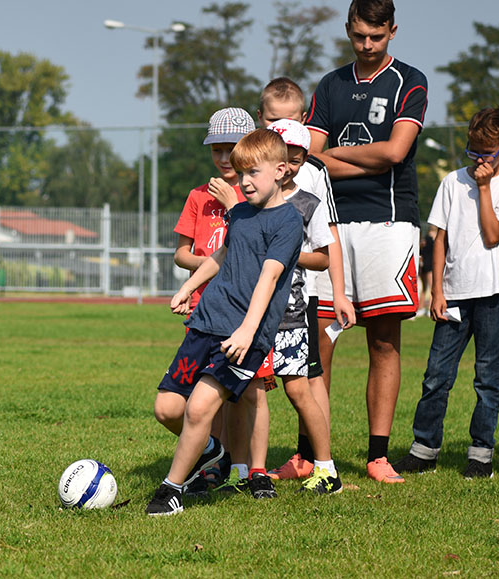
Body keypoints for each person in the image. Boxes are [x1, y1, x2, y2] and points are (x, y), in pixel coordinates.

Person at [305, 0, 428, 483]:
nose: (367, 44)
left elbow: (396, 153)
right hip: (329, 221)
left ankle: (378, 455)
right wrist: (353, 158)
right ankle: (313, 456)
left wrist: (334, 159)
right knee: (319, 340)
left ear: (392, 31)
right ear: (348, 29)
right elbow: (308, 155)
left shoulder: (410, 80)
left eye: (377, 36)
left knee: (383, 342)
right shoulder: (330, 84)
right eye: (359, 35)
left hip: (388, 222)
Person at [146, 128, 303, 516]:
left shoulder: (288, 222)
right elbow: (221, 255)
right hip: (207, 320)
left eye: (254, 173)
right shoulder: (242, 214)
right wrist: (190, 286)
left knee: (200, 408)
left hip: (243, 334)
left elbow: (268, 279)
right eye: (241, 173)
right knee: (167, 408)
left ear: (281, 170)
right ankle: (210, 449)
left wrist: (249, 331)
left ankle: (171, 491)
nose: (245, 182)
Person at [393, 107, 499, 479]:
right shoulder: (452, 182)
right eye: (473, 152)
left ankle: (480, 455)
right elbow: (440, 237)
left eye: (487, 153)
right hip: (453, 294)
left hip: (494, 295)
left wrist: (483, 187)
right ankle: (424, 450)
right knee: (436, 375)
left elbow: (493, 235)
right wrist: (436, 290)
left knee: (487, 378)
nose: (479, 159)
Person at [255, 77, 355, 482]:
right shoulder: (252, 168)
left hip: (301, 297)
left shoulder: (312, 174)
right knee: (250, 386)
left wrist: (339, 292)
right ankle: (244, 465)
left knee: (308, 380)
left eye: (290, 122)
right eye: (273, 121)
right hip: (255, 298)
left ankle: (319, 461)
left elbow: (328, 237)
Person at [171, 106, 253, 493]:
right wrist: (205, 270)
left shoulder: (255, 196)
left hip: (243, 312)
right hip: (204, 308)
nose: (223, 158)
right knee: (205, 391)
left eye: (231, 149)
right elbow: (181, 253)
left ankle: (249, 468)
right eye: (216, 150)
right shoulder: (197, 197)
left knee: (247, 393)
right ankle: (213, 463)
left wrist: (235, 203)